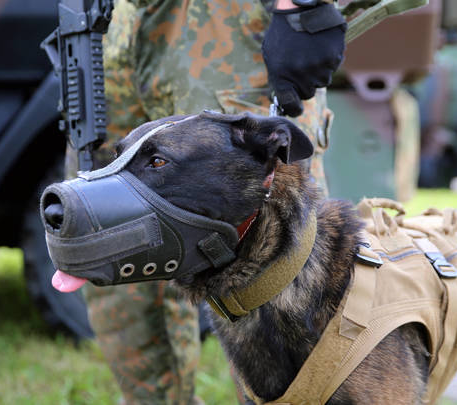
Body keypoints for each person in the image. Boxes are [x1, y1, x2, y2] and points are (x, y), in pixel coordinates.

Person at [64, 0, 346, 403]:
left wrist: (301, 7)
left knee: (278, 274)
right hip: (110, 28)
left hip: (222, 25)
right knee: (105, 238)